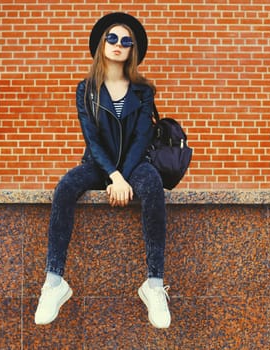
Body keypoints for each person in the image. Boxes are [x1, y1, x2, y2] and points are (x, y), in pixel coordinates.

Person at [34, 12, 170, 329]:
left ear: (132, 49)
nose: (119, 45)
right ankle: (54, 283)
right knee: (66, 187)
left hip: (136, 165)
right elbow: (92, 139)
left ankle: (153, 285)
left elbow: (140, 138)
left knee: (152, 185)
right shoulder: (87, 89)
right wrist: (114, 176)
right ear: (102, 45)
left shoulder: (143, 91)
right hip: (98, 165)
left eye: (126, 41)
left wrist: (126, 174)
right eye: (112, 38)